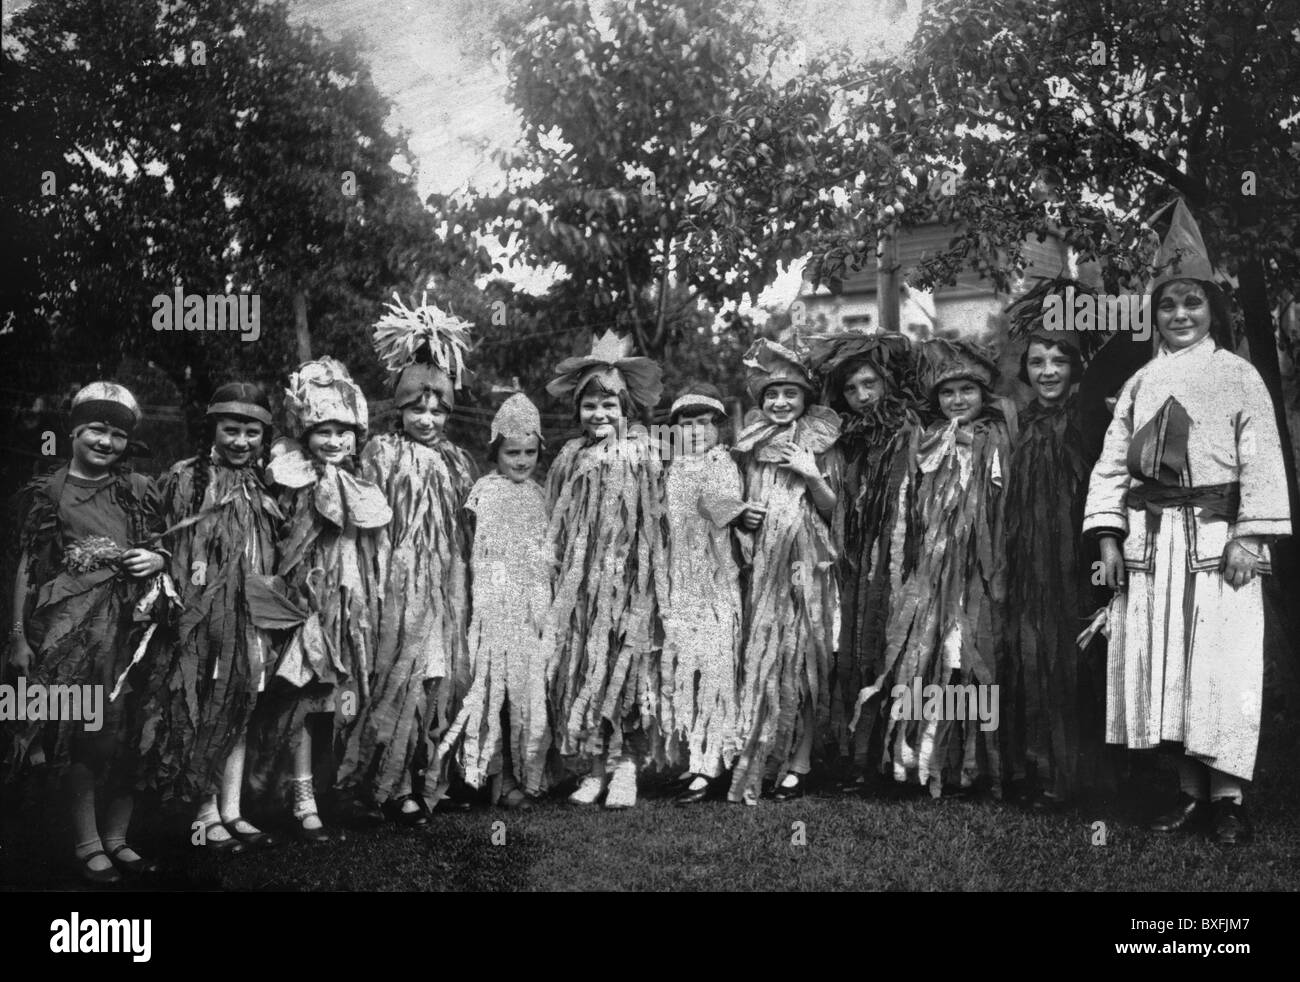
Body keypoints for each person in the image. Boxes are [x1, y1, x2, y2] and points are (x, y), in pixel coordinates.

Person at [1085, 200, 1291, 844]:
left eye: (1192, 305)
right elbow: (1113, 465)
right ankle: (1188, 794)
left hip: (1216, 541)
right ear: (1155, 314)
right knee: (1163, 664)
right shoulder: (1142, 381)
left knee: (1219, 664)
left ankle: (1228, 797)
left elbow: (1260, 462)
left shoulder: (1240, 377)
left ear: (1213, 312)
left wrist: (1250, 537)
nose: (1180, 316)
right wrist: (1110, 535)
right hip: (1154, 544)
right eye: (1168, 306)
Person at [4, 382, 170, 883]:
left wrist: (157, 557)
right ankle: (87, 840)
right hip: (73, 635)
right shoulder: (49, 492)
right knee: (85, 736)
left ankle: (118, 837)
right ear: (73, 431)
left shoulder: (137, 489)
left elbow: (161, 545)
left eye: (118, 434)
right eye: (96, 429)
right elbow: (28, 569)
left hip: (133, 630)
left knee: (130, 732)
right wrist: (18, 637)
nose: (106, 442)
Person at [343, 295, 477, 825]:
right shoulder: (380, 453)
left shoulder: (458, 461)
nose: (427, 418)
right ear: (398, 408)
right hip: (393, 586)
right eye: (417, 408)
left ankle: (427, 775)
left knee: (436, 677)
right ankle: (388, 782)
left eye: (437, 409)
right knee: (393, 674)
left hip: (444, 586)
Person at [138, 382, 280, 852]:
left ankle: (232, 809)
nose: (241, 441)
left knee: (238, 707)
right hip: (201, 621)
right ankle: (203, 813)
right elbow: (172, 545)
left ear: (264, 435)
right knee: (203, 708)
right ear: (213, 428)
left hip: (246, 618)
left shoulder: (261, 485)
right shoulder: (185, 478)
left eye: (252, 432)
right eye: (231, 429)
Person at [257, 357, 391, 844]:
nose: (334, 441)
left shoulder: (360, 483)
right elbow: (280, 542)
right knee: (304, 698)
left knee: (341, 700)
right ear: (304, 432)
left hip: (349, 608)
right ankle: (300, 795)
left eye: (343, 431)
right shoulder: (290, 478)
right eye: (323, 431)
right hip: (305, 605)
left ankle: (336, 788)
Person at [874, 339, 1011, 798]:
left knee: (974, 658)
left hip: (980, 569)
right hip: (934, 573)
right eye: (948, 393)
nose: (957, 401)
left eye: (967, 391)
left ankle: (977, 765)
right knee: (934, 658)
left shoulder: (998, 439)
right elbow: (909, 509)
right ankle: (934, 761)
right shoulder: (925, 441)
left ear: (982, 393)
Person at [544, 330, 666, 809]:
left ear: (627, 411)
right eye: (590, 405)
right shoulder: (569, 458)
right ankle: (595, 769)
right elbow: (554, 518)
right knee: (588, 672)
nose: (599, 414)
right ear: (577, 411)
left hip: (632, 584)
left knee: (628, 670)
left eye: (609, 405)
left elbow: (659, 521)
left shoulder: (645, 453)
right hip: (582, 587)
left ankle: (627, 770)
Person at [806, 331, 922, 792]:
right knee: (857, 648)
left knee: (895, 647)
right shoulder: (847, 442)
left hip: (901, 559)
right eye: (852, 388)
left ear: (887, 383)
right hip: (856, 561)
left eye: (870, 384)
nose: (861, 395)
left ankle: (897, 758)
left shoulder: (910, 432)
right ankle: (860, 759)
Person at [729, 338, 841, 804]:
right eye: (772, 395)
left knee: (808, 656)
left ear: (805, 400)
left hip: (809, 566)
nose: (779, 402)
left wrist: (812, 474)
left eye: (790, 395)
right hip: (763, 569)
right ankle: (767, 750)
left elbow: (838, 513)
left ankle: (802, 757)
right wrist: (743, 514)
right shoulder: (750, 446)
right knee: (767, 657)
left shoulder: (823, 444)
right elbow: (733, 500)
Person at [440, 393, 552, 807]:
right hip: (492, 605)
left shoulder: (541, 495)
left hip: (531, 608)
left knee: (526, 692)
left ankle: (527, 776)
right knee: (490, 689)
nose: (521, 461)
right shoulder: (484, 491)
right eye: (512, 453)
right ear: (495, 452)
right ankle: (489, 778)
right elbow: (468, 546)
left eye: (529, 452)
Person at [1001, 331, 1091, 810]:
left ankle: (1077, 778)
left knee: (1072, 658)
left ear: (1076, 367)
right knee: (1032, 656)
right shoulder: (1018, 423)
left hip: (1077, 559)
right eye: (1037, 362)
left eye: (1059, 361)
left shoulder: (1090, 419)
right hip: (1026, 560)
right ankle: (1039, 767)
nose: (1048, 371)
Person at [660, 382, 745, 804]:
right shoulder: (672, 469)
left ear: (718, 428)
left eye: (704, 422)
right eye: (686, 422)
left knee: (715, 670)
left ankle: (713, 763)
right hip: (681, 583)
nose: (695, 430)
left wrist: (737, 513)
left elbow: (725, 509)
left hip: (715, 581)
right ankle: (696, 759)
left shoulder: (721, 463)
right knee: (687, 671)